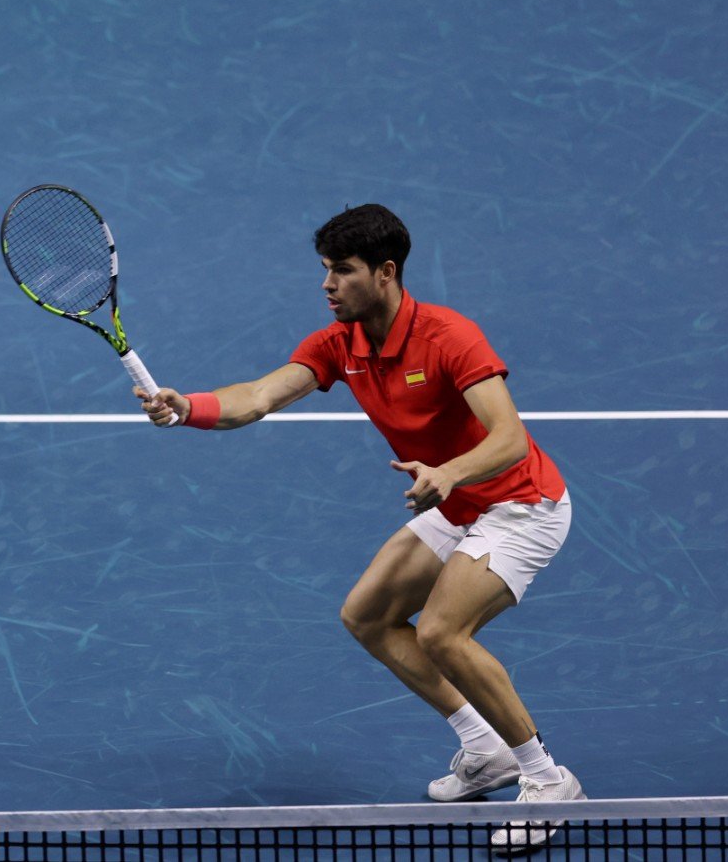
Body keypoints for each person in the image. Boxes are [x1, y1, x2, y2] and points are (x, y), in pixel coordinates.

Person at [137, 204, 583, 849]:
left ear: (386, 272)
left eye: (342, 271)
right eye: (325, 270)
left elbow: (510, 438)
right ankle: (485, 749)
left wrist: (450, 473)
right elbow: (259, 396)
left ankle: (546, 779)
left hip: (520, 507)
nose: (327, 285)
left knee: (441, 632)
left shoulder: (450, 337)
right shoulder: (338, 343)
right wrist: (190, 407)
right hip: (453, 504)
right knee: (369, 616)